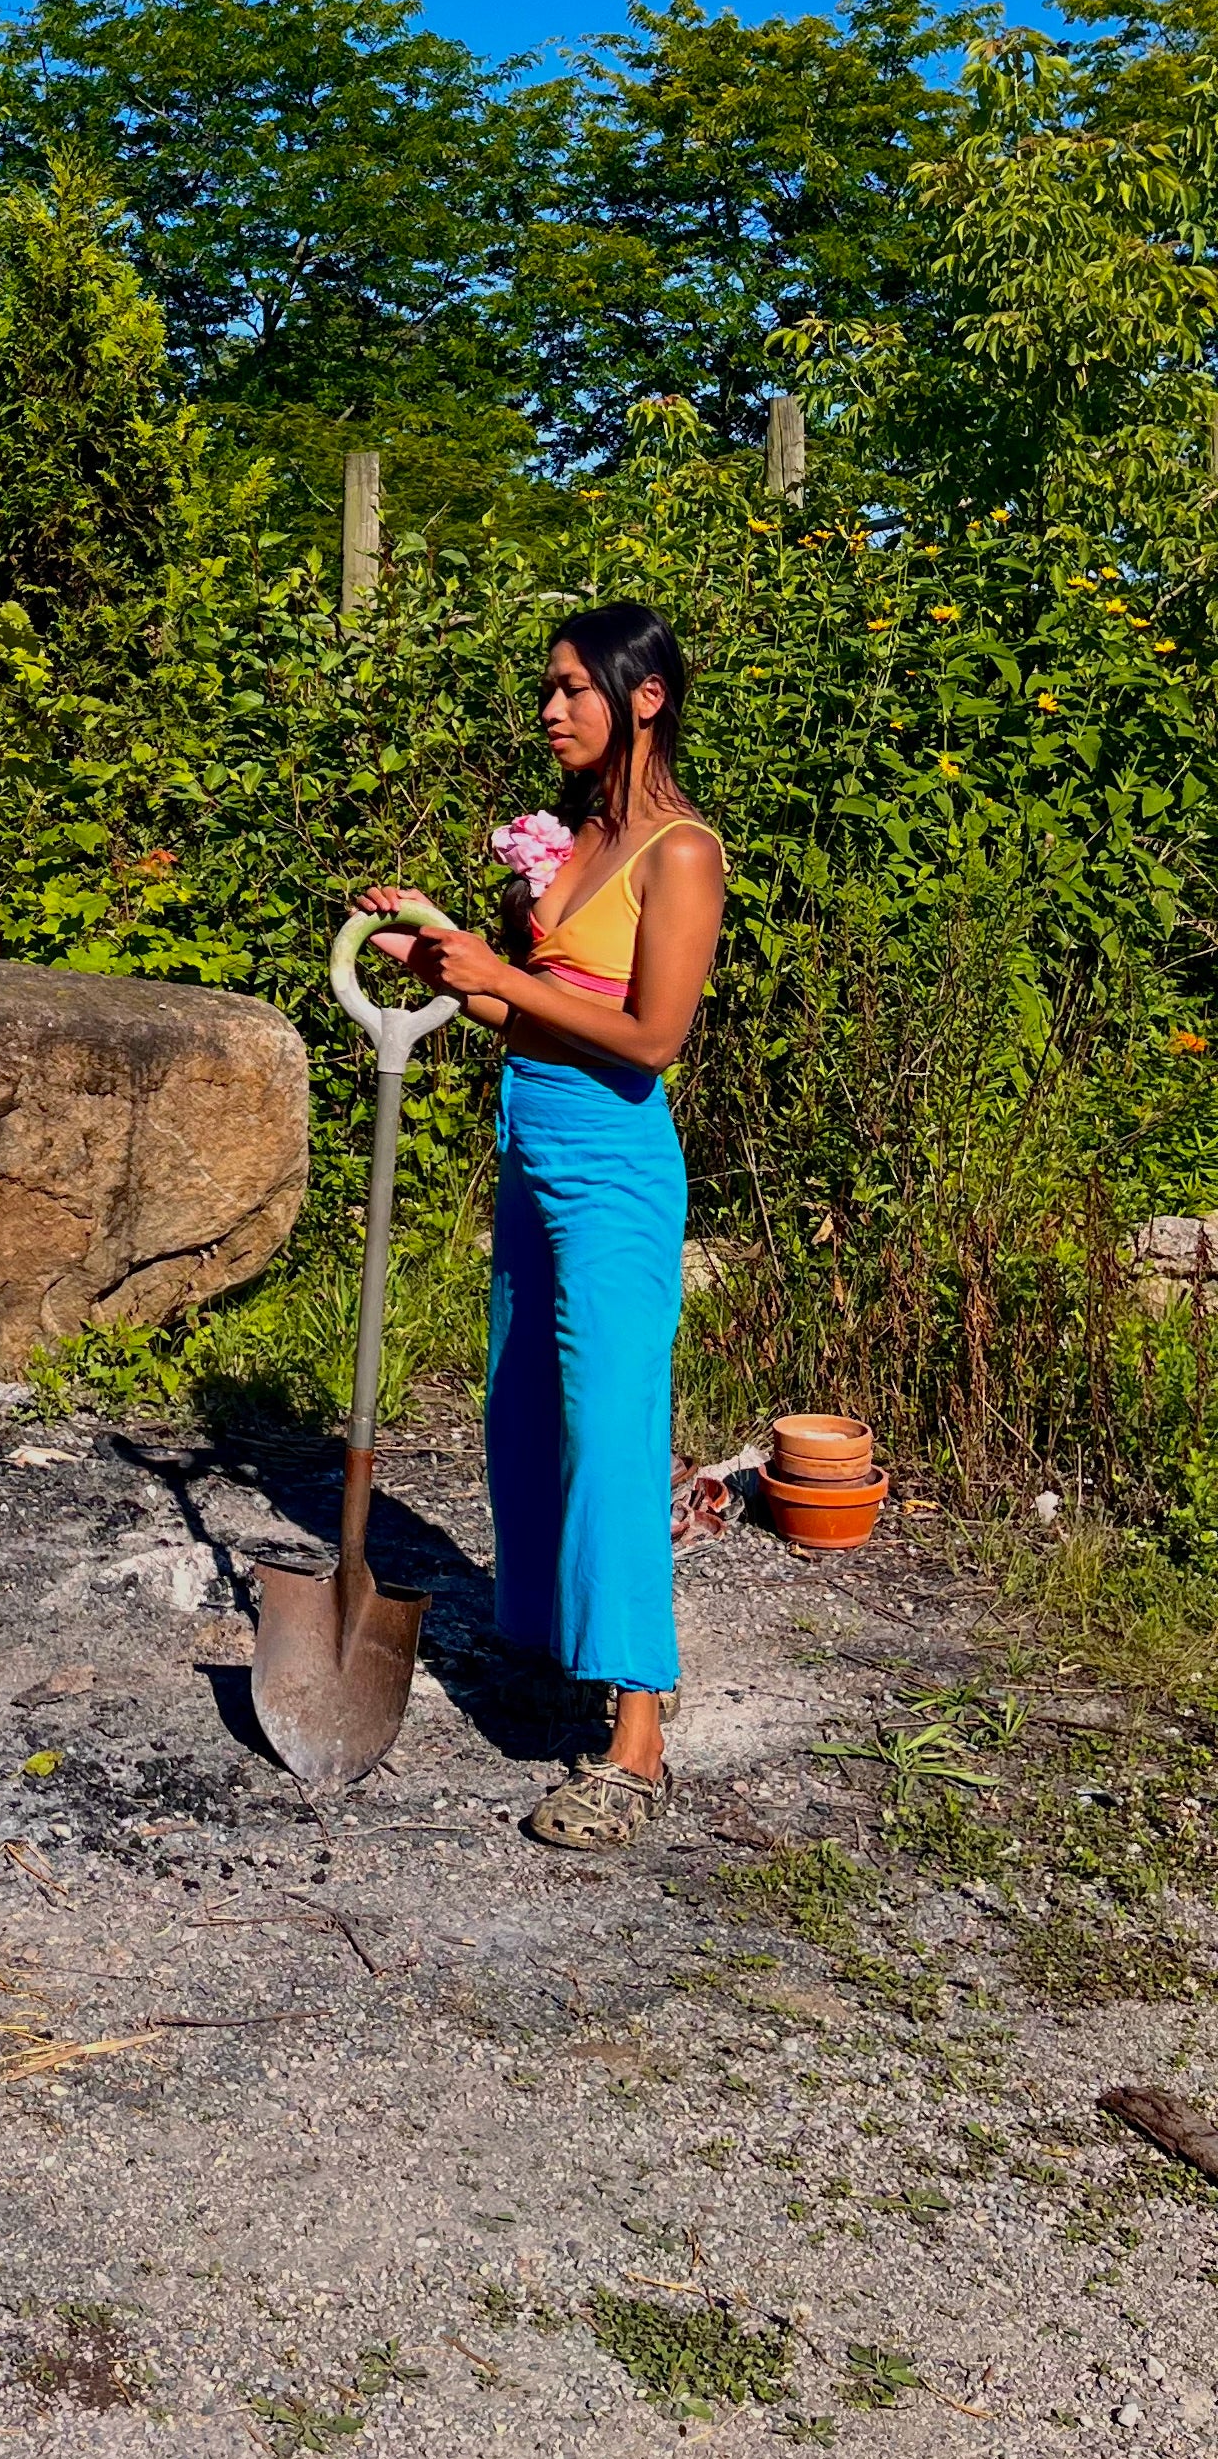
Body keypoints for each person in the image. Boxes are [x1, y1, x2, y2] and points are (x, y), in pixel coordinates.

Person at [358, 602, 727, 1848]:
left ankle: (636, 1741)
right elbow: (533, 1020)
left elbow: (650, 1040)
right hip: (533, 1153)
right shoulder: (574, 844)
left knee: (613, 1425)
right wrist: (449, 961)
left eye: (574, 688)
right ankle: (555, 1647)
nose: (553, 710)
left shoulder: (679, 854)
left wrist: (501, 976)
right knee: (522, 1410)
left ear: (646, 696)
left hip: (618, 1168)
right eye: (549, 689)